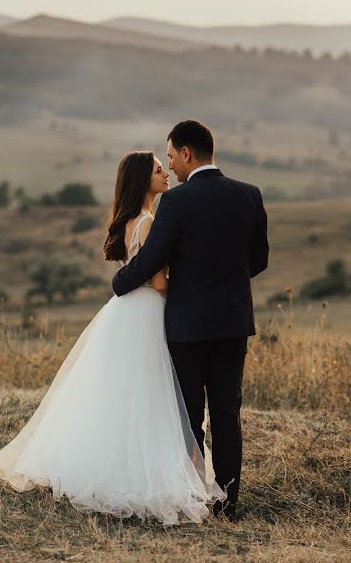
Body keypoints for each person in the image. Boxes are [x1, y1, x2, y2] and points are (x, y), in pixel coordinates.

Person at [0, 151, 225, 526]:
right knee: (150, 394)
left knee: (122, 394)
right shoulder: (147, 223)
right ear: (142, 180)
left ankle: (107, 466)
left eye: (165, 168)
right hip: (147, 312)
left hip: (127, 313)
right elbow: (160, 282)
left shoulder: (131, 221)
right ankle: (141, 476)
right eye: (158, 170)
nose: (166, 174)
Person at [112, 120, 269, 522]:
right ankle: (228, 505)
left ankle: (193, 495)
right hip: (232, 322)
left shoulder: (177, 202)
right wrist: (225, 282)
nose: (169, 164)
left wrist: (120, 282)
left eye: (170, 156)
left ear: (186, 153)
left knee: (188, 415)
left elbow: (150, 259)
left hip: (187, 325)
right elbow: (259, 260)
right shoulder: (249, 195)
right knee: (227, 413)